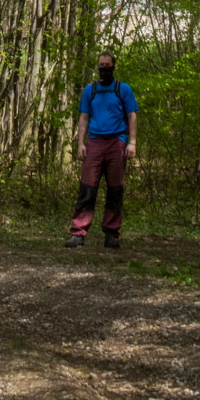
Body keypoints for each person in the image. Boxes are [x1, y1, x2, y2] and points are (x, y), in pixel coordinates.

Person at [64, 50, 138, 250]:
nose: (103, 68)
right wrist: (80, 143)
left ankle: (111, 234)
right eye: (100, 64)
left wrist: (132, 143)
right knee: (87, 188)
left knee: (115, 189)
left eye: (107, 64)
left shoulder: (123, 89)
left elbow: (132, 116)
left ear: (113, 66)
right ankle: (78, 233)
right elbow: (84, 118)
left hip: (117, 143)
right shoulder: (90, 90)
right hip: (95, 143)